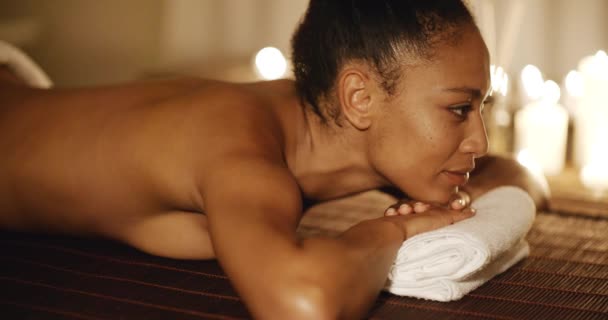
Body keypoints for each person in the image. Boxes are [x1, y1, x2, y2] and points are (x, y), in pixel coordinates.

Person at [0, 0, 547, 319]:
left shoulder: (321, 127)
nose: (478, 138)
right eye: (458, 109)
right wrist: (391, 234)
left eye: (482, 108)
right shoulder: (242, 152)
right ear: (359, 97)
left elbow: (521, 178)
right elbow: (301, 302)